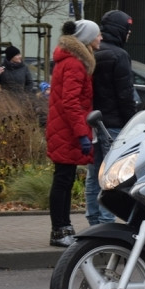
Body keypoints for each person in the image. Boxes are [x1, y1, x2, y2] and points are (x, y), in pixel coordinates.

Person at [46, 20, 101, 247]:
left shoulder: (71, 60)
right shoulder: (75, 64)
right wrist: (82, 134)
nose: (101, 38)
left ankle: (63, 226)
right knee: (63, 180)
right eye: (98, 35)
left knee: (64, 179)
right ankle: (59, 230)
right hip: (67, 130)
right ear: (87, 38)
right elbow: (71, 102)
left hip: (64, 128)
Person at [84, 10, 136, 226]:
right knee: (112, 175)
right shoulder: (119, 55)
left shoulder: (91, 52)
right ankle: (106, 222)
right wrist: (132, 122)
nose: (129, 34)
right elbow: (125, 94)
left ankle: (94, 220)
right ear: (120, 30)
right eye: (128, 29)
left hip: (94, 123)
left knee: (94, 172)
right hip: (114, 125)